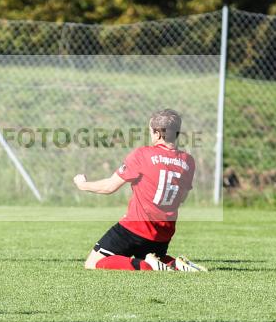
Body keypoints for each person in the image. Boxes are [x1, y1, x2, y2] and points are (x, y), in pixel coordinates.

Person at [74, 109, 204, 272]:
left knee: (93, 263)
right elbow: (182, 198)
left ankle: (148, 266)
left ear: (157, 134)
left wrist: (83, 184)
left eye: (150, 131)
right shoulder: (188, 161)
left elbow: (109, 187)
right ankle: (173, 264)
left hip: (135, 228)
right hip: (163, 234)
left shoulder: (142, 154)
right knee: (149, 255)